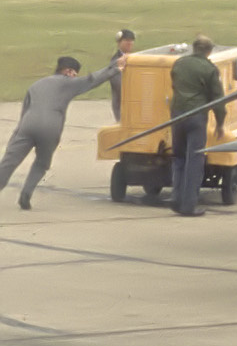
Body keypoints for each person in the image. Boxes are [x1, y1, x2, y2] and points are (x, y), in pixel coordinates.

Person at [0, 54, 124, 210]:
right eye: (74, 74)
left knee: (9, 162)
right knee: (42, 163)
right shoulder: (68, 83)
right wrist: (114, 68)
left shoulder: (37, 84)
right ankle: (26, 193)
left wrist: (18, 134)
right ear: (68, 71)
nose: (74, 77)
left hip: (27, 124)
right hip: (50, 127)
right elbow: (91, 80)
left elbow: (25, 110)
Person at [168, 35, 226, 217]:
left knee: (178, 158)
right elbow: (218, 99)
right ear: (209, 51)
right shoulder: (209, 69)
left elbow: (174, 85)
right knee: (195, 160)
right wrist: (220, 123)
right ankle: (189, 205)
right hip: (197, 116)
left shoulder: (179, 63)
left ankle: (175, 199)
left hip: (177, 114)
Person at [108, 29, 136, 122]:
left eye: (131, 40)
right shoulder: (115, 61)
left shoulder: (134, 58)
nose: (130, 43)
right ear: (119, 43)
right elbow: (118, 85)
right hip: (122, 106)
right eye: (126, 40)